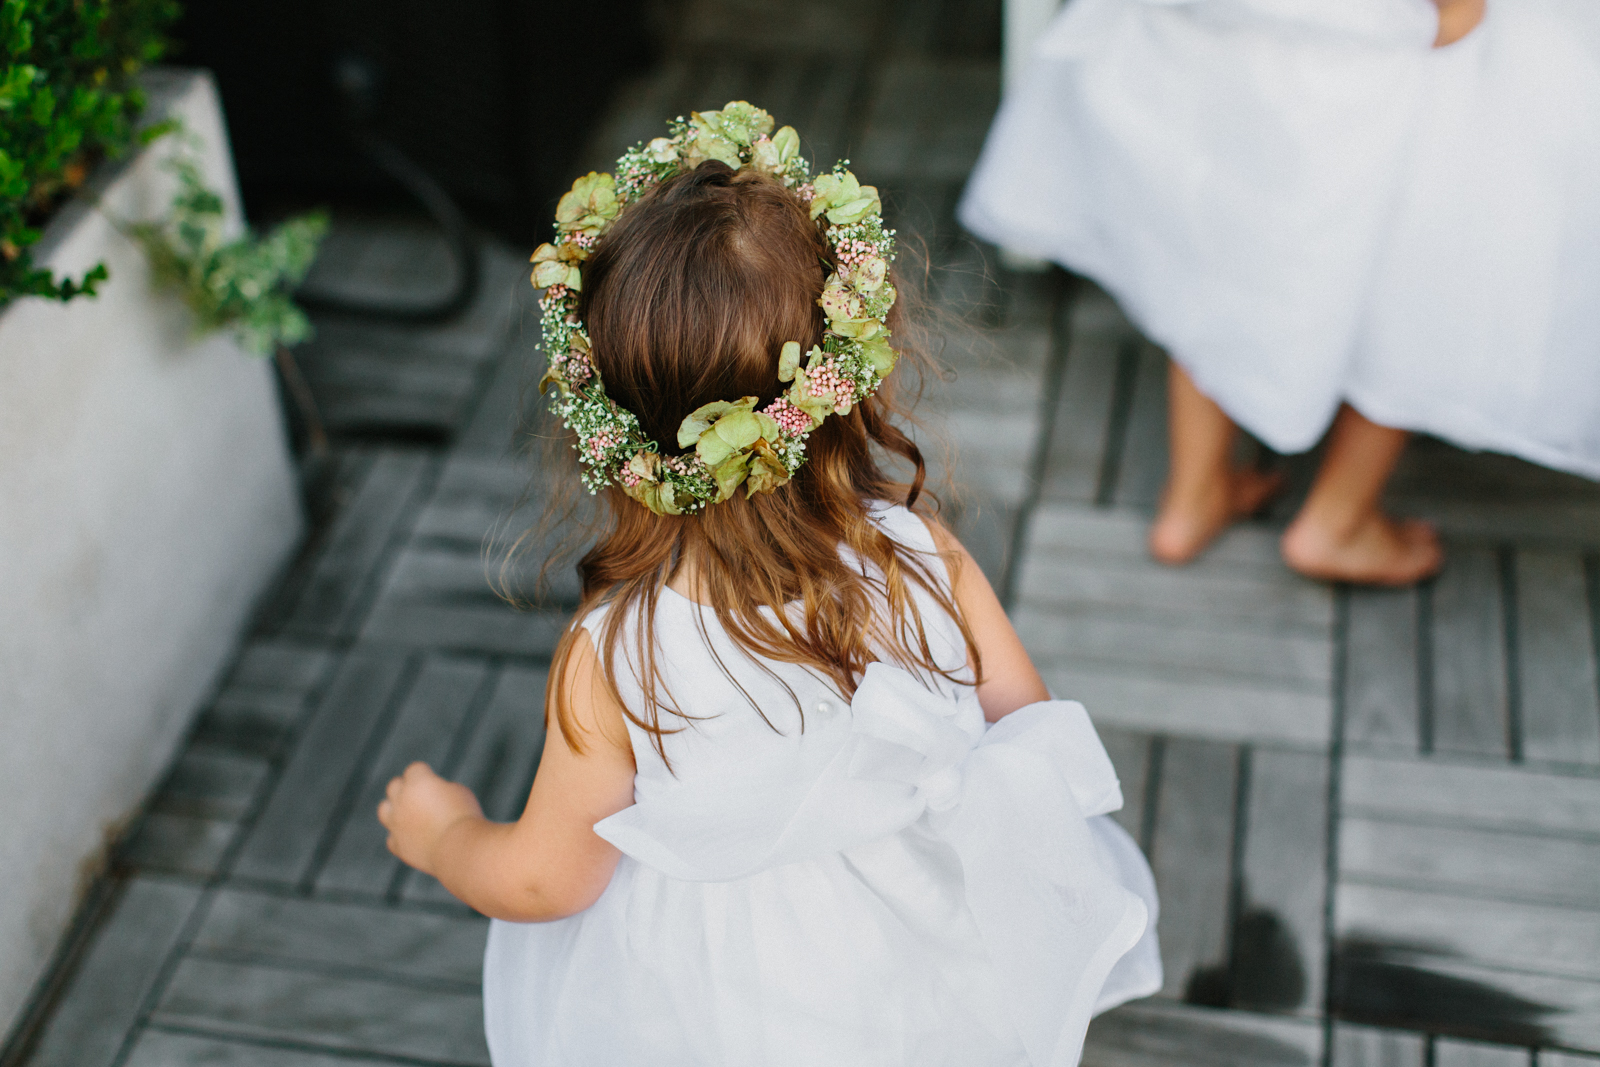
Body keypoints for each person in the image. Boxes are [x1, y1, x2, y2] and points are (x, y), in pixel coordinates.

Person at [375, 104, 1162, 1067]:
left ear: (606, 430)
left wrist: (446, 832)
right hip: (916, 982)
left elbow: (547, 881)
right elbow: (1025, 737)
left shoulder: (616, 653)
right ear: (848, 383)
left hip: (723, 1013)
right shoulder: (924, 553)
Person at [960, 0, 1600, 585]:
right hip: (1380, 42)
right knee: (1424, 254)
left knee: (1225, 238)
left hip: (1225, 29)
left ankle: (1194, 493)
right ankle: (1339, 520)